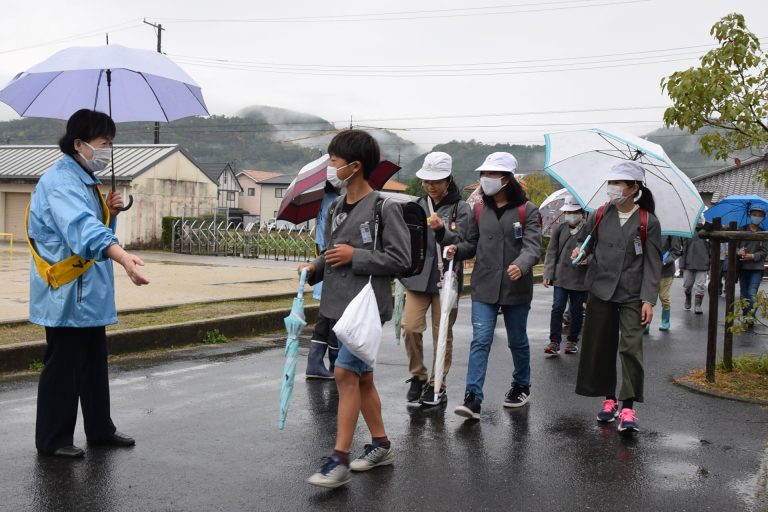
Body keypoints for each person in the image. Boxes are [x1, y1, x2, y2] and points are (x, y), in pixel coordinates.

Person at [29, 109, 150, 458]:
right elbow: (83, 230)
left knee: (94, 364)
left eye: (112, 142)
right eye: (104, 143)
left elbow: (94, 228)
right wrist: (125, 257)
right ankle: (52, 439)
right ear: (79, 144)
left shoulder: (83, 179)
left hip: (88, 292)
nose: (109, 149)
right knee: (64, 366)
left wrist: (109, 212)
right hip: (68, 292)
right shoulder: (63, 182)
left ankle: (100, 429)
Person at [299, 130, 411, 488]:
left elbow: (401, 259)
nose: (329, 167)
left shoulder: (384, 207)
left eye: (334, 161)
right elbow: (332, 253)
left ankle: (339, 458)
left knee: (345, 375)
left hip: (365, 309)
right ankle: (381, 445)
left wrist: (356, 256)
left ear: (355, 166)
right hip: (335, 305)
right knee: (361, 379)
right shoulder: (333, 207)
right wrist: (314, 268)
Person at [444, 152, 541, 420]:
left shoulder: (527, 211)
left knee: (517, 340)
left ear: (507, 179)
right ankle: (473, 397)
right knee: (481, 340)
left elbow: (533, 247)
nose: (485, 180)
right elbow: (470, 244)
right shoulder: (478, 210)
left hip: (515, 287)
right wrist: (455, 247)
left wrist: (520, 265)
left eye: (491, 175)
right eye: (483, 175)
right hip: (484, 286)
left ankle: (521, 385)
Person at [572, 161, 661, 434]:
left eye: (619, 183)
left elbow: (652, 263)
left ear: (635, 188)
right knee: (601, 345)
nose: (612, 188)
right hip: (600, 289)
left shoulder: (648, 221)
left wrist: (648, 299)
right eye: (611, 182)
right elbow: (585, 242)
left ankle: (628, 406)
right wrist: (579, 252)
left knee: (631, 348)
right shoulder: (599, 214)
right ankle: (609, 399)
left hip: (633, 293)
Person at [401, 152, 470, 406]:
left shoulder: (460, 209)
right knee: (410, 328)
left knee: (442, 334)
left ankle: (436, 383)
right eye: (427, 180)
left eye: (437, 181)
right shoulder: (417, 206)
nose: (431, 185)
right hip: (417, 278)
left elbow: (465, 243)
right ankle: (418, 375)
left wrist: (442, 230)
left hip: (447, 280)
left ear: (448, 180)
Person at [542, 195, 588, 356]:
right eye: (568, 212)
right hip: (560, 277)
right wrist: (548, 273)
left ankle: (572, 340)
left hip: (580, 280)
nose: (570, 215)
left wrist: (588, 259)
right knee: (557, 308)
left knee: (576, 311)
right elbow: (551, 252)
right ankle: (554, 341)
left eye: (574, 211)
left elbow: (596, 251)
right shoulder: (560, 229)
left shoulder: (589, 230)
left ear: (581, 212)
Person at [305, 179, 341, 380]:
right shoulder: (337, 202)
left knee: (325, 315)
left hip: (322, 260)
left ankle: (315, 362)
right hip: (333, 262)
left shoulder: (321, 201)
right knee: (335, 317)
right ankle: (335, 363)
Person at [737, 205, 767, 327]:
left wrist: (753, 256)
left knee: (752, 293)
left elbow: (765, 252)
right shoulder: (741, 230)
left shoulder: (764, 233)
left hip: (757, 268)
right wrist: (739, 252)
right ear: (750, 215)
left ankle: (751, 317)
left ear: (763, 218)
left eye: (760, 216)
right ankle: (745, 316)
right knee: (743, 294)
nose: (757, 217)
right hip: (742, 267)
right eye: (754, 214)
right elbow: (735, 246)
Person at [648, 236, 682, 331]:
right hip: (650, 269)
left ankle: (665, 321)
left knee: (663, 296)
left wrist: (665, 261)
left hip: (665, 271)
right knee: (647, 297)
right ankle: (646, 322)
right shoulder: (649, 226)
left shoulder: (672, 231)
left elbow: (676, 251)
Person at [680, 223, 710, 315]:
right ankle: (688, 296)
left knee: (700, 285)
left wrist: (710, 261)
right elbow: (683, 248)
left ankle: (698, 305)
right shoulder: (688, 230)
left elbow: (711, 248)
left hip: (703, 262)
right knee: (687, 284)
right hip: (689, 262)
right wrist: (682, 264)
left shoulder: (708, 231)